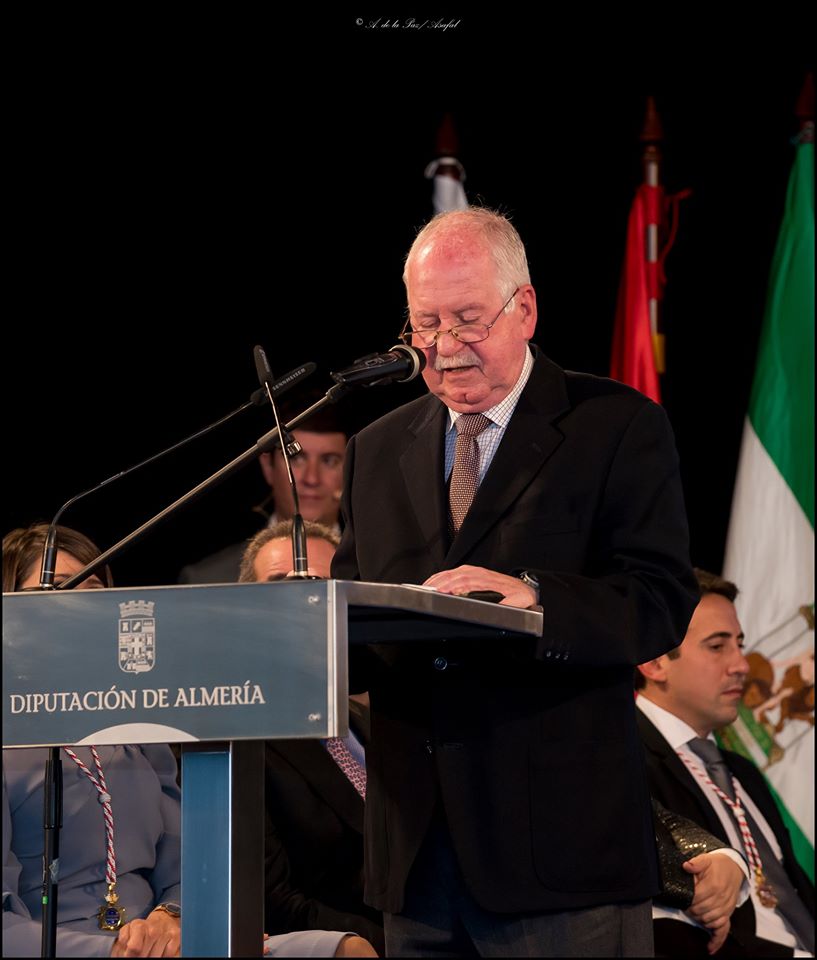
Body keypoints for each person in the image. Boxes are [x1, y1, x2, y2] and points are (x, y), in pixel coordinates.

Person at [330, 207, 699, 956]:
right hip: (416, 861)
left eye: (468, 320)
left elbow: (659, 599)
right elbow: (351, 623)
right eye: (425, 324)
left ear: (523, 309)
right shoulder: (375, 448)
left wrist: (538, 599)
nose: (443, 347)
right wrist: (298, 633)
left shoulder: (615, 426)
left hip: (560, 855)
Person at [2, 523, 377, 958]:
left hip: (166, 939)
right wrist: (115, 952)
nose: (80, 609)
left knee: (345, 950)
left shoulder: (136, 728)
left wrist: (173, 914)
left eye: (93, 592)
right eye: (57, 592)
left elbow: (186, 866)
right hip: (68, 944)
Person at [636, 568, 815, 957]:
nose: (742, 665)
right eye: (717, 646)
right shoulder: (625, 762)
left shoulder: (741, 771)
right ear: (654, 662)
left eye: (740, 644)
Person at [238, 521, 385, 956]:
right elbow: (272, 903)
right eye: (281, 586)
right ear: (245, 611)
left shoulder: (378, 725)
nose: (303, 603)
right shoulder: (235, 740)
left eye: (320, 588)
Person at [178, 403, 348, 584]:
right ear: (268, 466)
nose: (312, 479)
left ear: (349, 470)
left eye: (329, 461)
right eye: (295, 458)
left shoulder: (369, 570)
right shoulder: (207, 580)